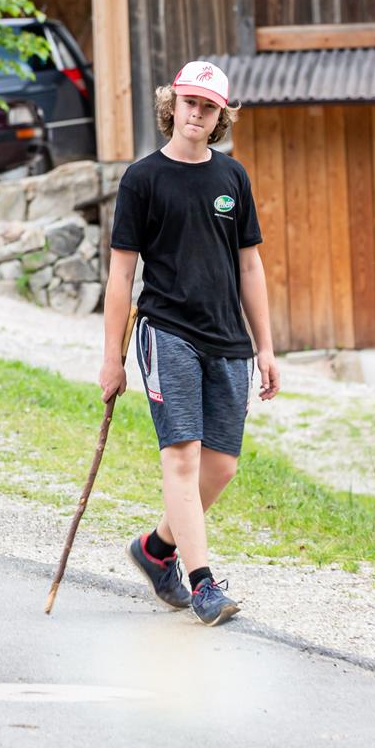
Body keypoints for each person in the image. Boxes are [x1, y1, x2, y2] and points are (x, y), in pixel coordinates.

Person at [98, 60, 280, 626]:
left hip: (228, 340)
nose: (196, 113)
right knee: (182, 458)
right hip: (166, 332)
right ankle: (202, 584)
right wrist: (112, 359)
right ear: (171, 104)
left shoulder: (233, 178)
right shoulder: (142, 179)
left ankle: (155, 550)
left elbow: (250, 266)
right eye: (189, 102)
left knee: (220, 467)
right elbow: (122, 276)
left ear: (221, 115)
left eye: (208, 106)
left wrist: (267, 347)